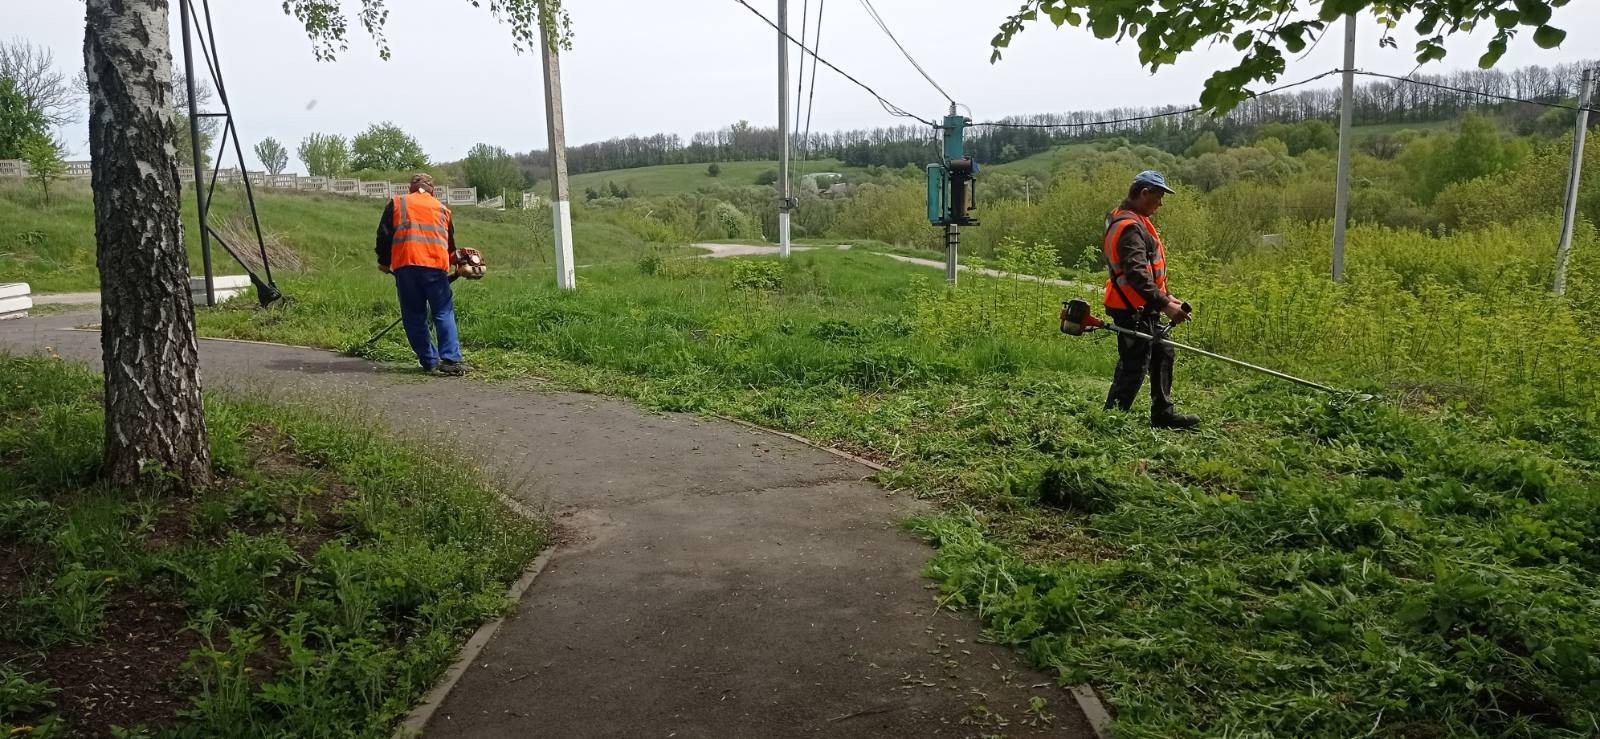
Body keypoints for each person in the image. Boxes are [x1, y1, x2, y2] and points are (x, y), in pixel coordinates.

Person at [1101, 170, 1199, 429]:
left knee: (1163, 352)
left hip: (1144, 305)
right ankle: (1111, 419)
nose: (1161, 203)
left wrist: (1167, 297)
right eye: (1158, 196)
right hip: (1132, 307)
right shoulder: (1130, 227)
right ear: (1144, 193)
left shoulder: (1130, 218)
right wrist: (1165, 305)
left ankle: (1162, 413)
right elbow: (1136, 274)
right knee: (1134, 364)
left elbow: (1147, 273)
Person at [376, 173, 471, 376]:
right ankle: (451, 360)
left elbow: (384, 235)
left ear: (410, 188)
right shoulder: (443, 209)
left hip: (406, 266)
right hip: (436, 267)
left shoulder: (397, 203)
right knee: (443, 311)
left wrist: (384, 262)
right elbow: (450, 246)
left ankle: (429, 360)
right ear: (432, 190)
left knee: (413, 315)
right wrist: (460, 264)